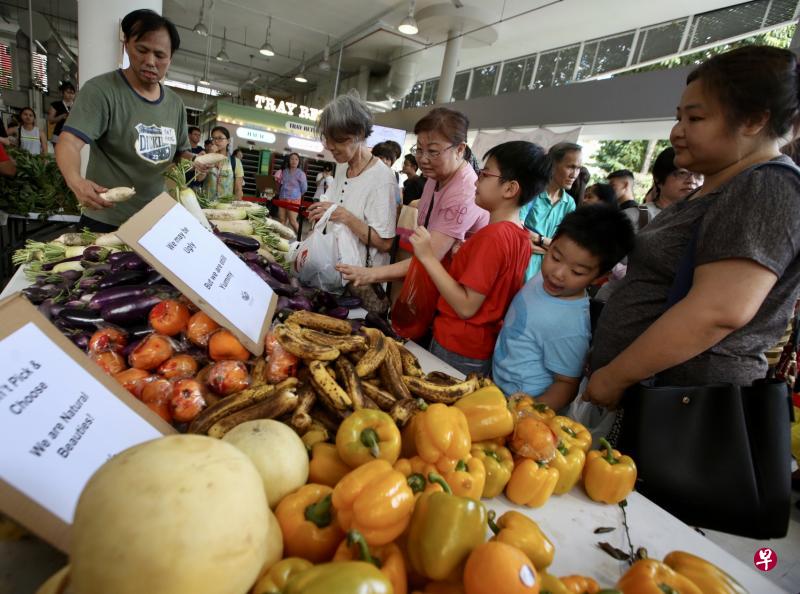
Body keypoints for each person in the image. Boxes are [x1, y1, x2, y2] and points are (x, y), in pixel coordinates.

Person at [583, 46, 800, 433]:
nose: (676, 132)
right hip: (650, 395)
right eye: (678, 117)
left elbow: (718, 311)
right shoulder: (720, 187)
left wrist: (615, 375)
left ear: (752, 120)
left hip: (682, 409)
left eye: (695, 118)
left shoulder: (768, 187)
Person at [55, 9, 204, 231]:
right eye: (142, 50)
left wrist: (197, 161)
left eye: (160, 55)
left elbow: (180, 153)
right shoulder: (101, 91)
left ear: (170, 58)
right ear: (126, 45)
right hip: (106, 219)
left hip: (156, 222)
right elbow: (69, 143)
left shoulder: (175, 104)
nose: (150, 61)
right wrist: (76, 181)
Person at [411, 141, 551, 375]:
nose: (476, 180)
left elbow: (466, 306)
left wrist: (427, 256)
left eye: (485, 174)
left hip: (458, 344)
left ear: (509, 189)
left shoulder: (492, 237)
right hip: (481, 346)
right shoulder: (519, 236)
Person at [493, 206, 635, 410]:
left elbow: (567, 385)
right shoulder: (545, 278)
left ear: (598, 278)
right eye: (555, 257)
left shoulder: (570, 326)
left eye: (576, 272)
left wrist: (523, 415)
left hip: (521, 408)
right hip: (495, 389)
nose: (558, 273)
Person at [337, 107, 489, 288]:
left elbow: (429, 257)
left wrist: (369, 274)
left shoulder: (464, 192)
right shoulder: (436, 176)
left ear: (460, 149)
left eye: (433, 152)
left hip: (457, 286)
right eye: (419, 149)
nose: (423, 159)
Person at [307, 93, 396, 271]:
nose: (330, 146)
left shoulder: (383, 179)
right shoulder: (342, 167)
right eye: (327, 138)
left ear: (359, 134)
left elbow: (385, 244)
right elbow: (330, 205)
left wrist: (344, 216)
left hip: (360, 280)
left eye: (338, 140)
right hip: (335, 271)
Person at [520, 142, 582, 281]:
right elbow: (515, 229)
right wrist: (549, 245)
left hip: (542, 275)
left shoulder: (569, 203)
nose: (575, 174)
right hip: (518, 266)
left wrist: (537, 239)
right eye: (570, 167)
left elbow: (564, 244)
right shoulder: (532, 192)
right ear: (552, 164)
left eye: (578, 168)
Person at [646, 147, 703, 218]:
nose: (692, 181)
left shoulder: (706, 217)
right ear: (658, 179)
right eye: (682, 173)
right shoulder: (635, 217)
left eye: (698, 175)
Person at [194, 126, 244, 201]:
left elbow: (238, 189)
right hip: (206, 205)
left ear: (228, 141)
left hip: (225, 208)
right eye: (213, 138)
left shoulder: (236, 162)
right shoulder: (206, 157)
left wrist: (236, 206)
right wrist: (210, 155)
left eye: (220, 138)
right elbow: (199, 178)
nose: (216, 141)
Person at [276, 152, 307, 232]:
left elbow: (304, 188)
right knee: (282, 220)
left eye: (296, 159)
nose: (294, 161)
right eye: (292, 159)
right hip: (282, 198)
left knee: (292, 221)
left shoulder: (301, 173)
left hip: (294, 200)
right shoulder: (284, 171)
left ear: (298, 162)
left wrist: (296, 195)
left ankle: (301, 241)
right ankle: (281, 240)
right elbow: (280, 184)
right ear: (289, 160)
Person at [47, 81, 76, 145]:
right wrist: (62, 116)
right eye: (68, 92)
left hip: (73, 135)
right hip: (58, 134)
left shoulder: (76, 105)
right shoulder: (56, 104)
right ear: (62, 93)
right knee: (59, 154)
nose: (70, 95)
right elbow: (50, 120)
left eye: (72, 93)